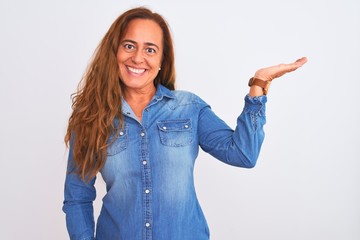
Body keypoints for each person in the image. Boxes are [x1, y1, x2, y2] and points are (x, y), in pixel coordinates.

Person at [62, 7, 307, 240]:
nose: (138, 58)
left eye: (150, 50)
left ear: (161, 59)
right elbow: (77, 198)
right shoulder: (91, 118)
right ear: (114, 51)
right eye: (129, 46)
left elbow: (244, 154)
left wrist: (259, 83)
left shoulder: (188, 108)